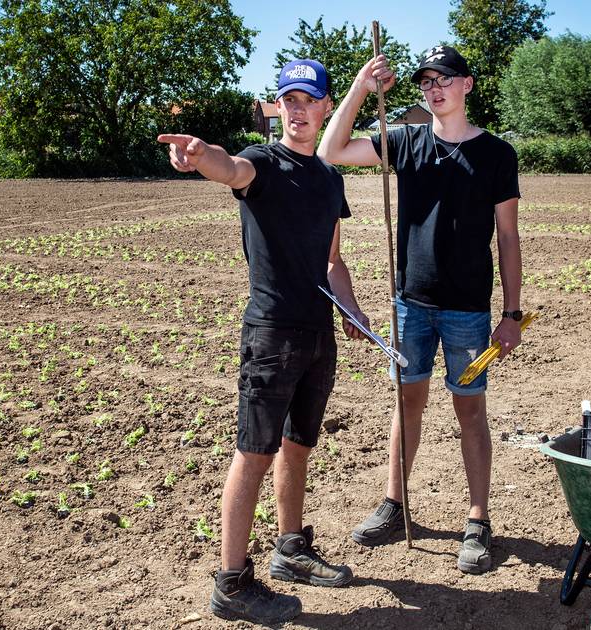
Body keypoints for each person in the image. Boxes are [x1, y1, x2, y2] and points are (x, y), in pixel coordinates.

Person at [158, 58, 371, 624]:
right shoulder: (263, 164)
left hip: (317, 333)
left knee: (299, 445)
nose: (298, 110)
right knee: (254, 454)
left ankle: (290, 549)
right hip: (272, 334)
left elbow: (332, 259)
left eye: (309, 100)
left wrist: (352, 308)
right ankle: (231, 583)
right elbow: (230, 170)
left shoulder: (329, 179)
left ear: (325, 107)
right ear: (278, 108)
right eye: (289, 100)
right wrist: (201, 157)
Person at [317, 45, 522, 574]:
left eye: (445, 79)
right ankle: (394, 503)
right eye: (426, 82)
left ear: (467, 85)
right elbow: (331, 150)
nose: (434, 89)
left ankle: (478, 520)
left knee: (470, 410)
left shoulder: (498, 155)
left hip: (470, 314)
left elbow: (508, 237)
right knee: (406, 406)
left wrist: (512, 312)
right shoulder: (405, 140)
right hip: (410, 306)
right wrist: (363, 86)